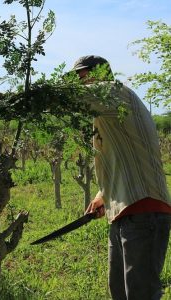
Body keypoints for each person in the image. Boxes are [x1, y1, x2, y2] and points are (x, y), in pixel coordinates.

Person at [73, 55, 171, 300]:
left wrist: (19, 99)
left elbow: (68, 99)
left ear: (103, 72)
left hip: (144, 208)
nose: (79, 82)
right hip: (124, 213)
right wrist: (102, 196)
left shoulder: (116, 93)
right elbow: (119, 159)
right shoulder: (105, 112)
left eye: (82, 76)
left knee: (140, 294)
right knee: (119, 292)